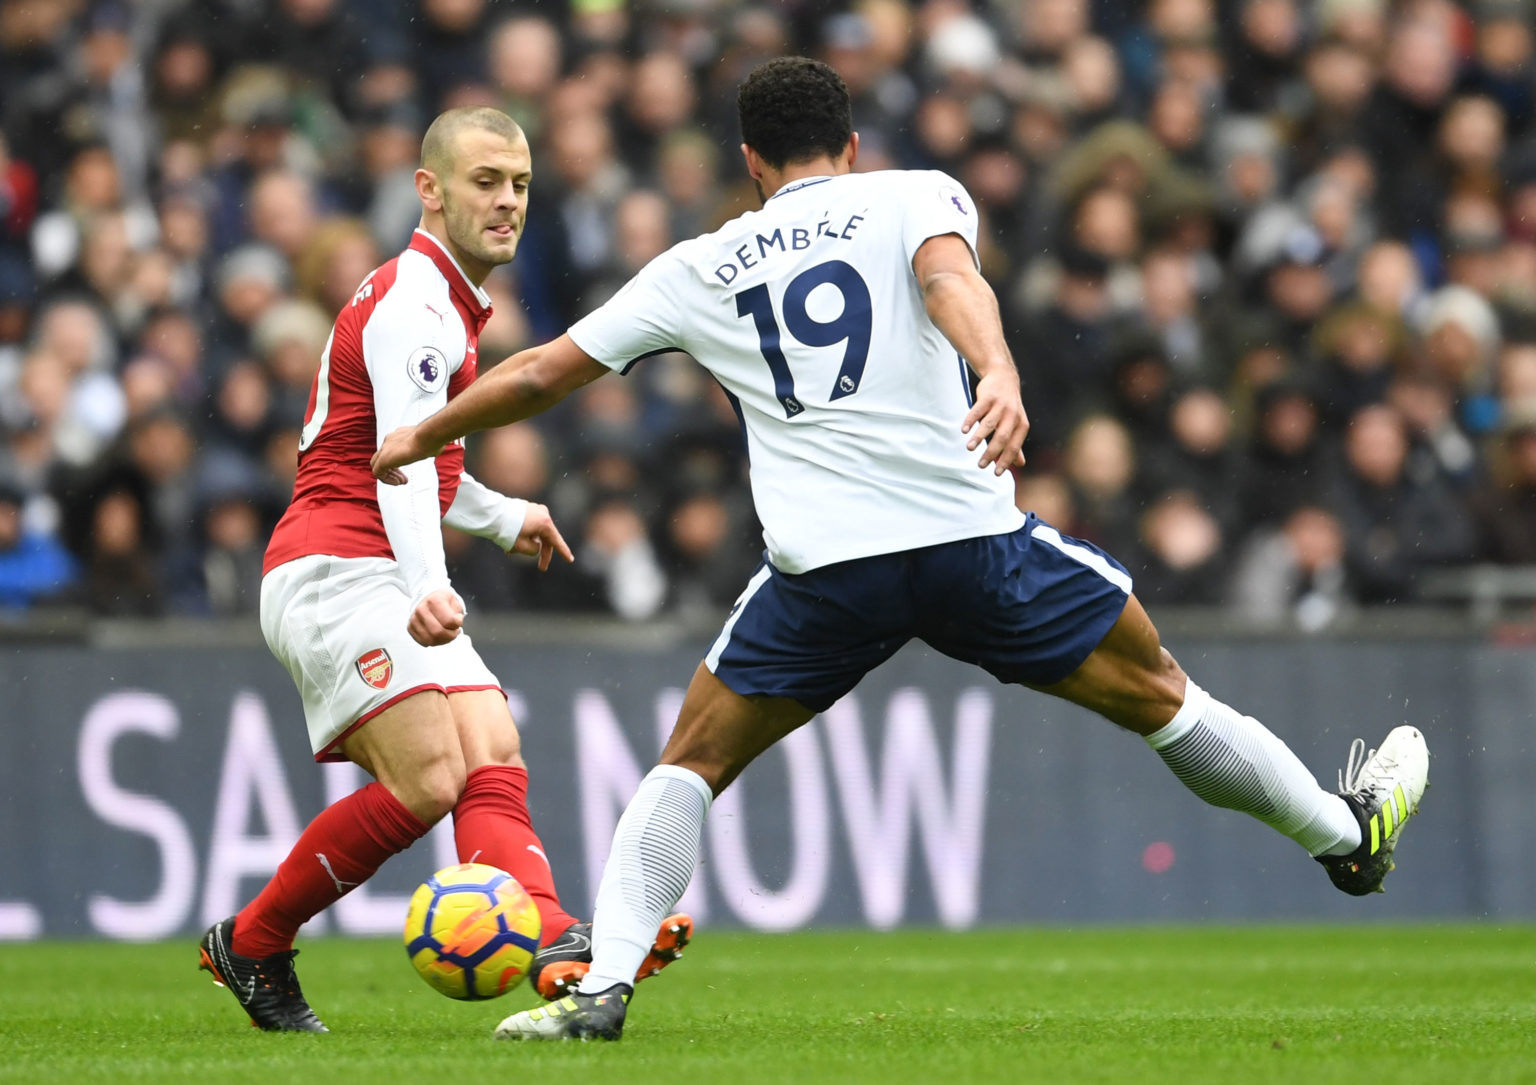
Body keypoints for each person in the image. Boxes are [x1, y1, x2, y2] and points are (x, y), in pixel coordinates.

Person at [372, 62, 1430, 1042]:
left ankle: (602, 983)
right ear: (852, 142)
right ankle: (1346, 837)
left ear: (749, 161)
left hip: (827, 574)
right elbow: (949, 285)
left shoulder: (701, 263)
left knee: (690, 759)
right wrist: (1000, 372)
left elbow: (547, 371)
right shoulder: (914, 192)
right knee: (1164, 694)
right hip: (970, 543)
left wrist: (424, 430)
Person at [198, 107, 690, 1033]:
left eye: (520, 185)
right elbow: (402, 461)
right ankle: (255, 939)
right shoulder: (419, 306)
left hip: (371, 552)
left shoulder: (443, 301)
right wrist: (430, 582)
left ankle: (550, 940)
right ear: (428, 189)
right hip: (335, 565)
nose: (507, 202)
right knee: (430, 776)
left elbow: (420, 458)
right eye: (485, 182)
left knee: (493, 746)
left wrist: (504, 517)